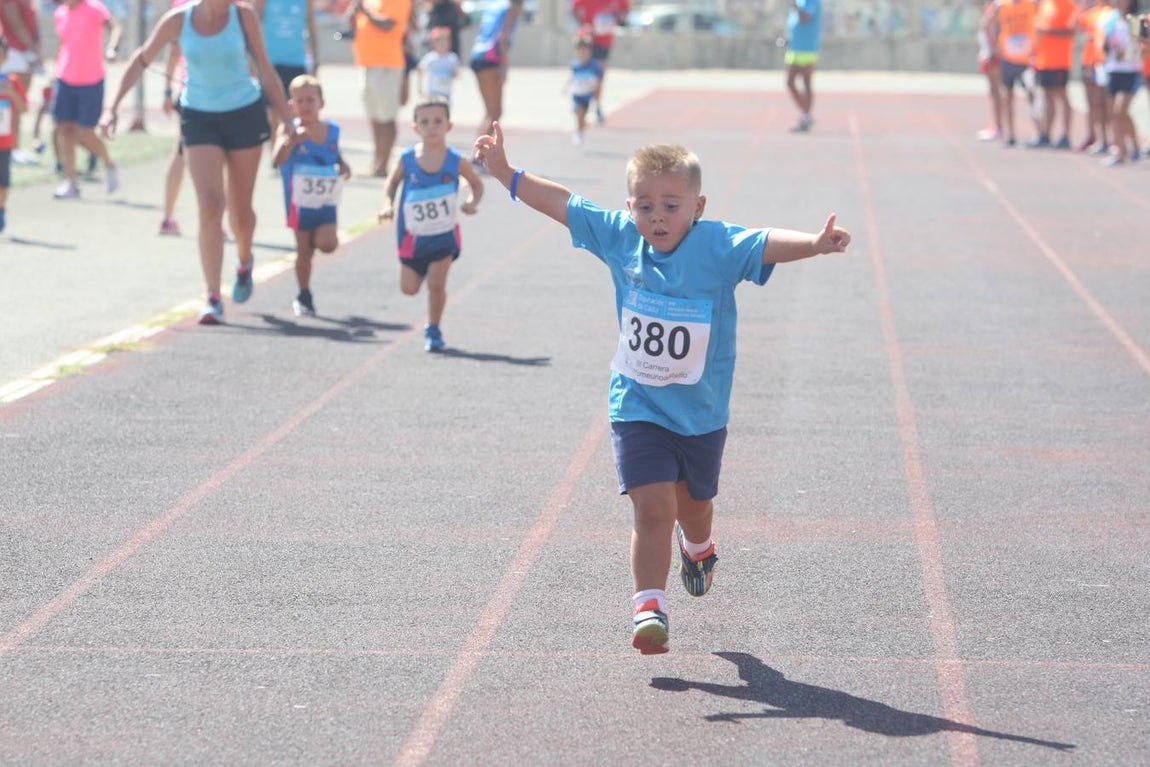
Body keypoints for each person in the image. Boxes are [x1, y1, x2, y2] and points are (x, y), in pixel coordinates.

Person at [472, 122, 851, 655]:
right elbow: (563, 203)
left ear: (698, 206)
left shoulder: (717, 245)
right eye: (644, 205)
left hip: (700, 413)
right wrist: (507, 174)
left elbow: (765, 242)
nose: (657, 217)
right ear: (629, 208)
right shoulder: (620, 238)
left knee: (693, 506)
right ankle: (649, 606)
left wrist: (814, 244)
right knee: (653, 508)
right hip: (637, 404)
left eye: (671, 205)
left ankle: (698, 546)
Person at [100, 0, 298, 324]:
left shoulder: (243, 15)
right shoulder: (179, 20)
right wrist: (111, 108)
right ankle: (212, 296)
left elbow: (265, 67)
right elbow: (141, 59)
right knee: (209, 205)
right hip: (199, 116)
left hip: (243, 113)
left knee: (241, 213)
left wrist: (288, 119)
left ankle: (244, 261)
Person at [378, 98, 483, 351]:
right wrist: (386, 204)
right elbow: (391, 183)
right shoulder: (407, 159)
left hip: (442, 236)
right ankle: (420, 270)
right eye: (425, 122)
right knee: (409, 289)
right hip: (412, 239)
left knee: (437, 284)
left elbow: (477, 184)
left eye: (438, 121)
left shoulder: (456, 160)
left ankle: (433, 329)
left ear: (449, 126)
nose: (432, 126)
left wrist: (471, 202)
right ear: (416, 128)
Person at [272, 74, 350, 317]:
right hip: (299, 202)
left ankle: (317, 241)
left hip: (325, 199)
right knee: (303, 250)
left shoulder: (332, 130)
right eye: (300, 101)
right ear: (291, 105)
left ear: (321, 103)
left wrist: (342, 163)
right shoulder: (288, 129)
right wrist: (290, 142)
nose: (305, 105)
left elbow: (332, 152)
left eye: (310, 100)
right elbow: (277, 160)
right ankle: (304, 294)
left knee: (327, 244)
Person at [51, 0, 122, 200]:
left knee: (85, 134)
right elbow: (64, 44)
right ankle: (72, 182)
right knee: (64, 131)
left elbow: (115, 27)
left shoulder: (94, 8)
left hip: (91, 80)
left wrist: (113, 47)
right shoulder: (60, 13)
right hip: (65, 79)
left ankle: (109, 165)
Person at [345, 0, 412, 176]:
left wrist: (365, 11)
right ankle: (377, 162)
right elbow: (355, 23)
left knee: (386, 117)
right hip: (367, 63)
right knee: (374, 116)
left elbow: (388, 25)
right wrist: (353, 14)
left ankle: (383, 165)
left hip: (387, 65)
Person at [254, 0, 319, 161]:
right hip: (270, 63)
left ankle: (290, 150)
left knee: (294, 110)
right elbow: (253, 25)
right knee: (272, 111)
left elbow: (311, 27)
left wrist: (316, 59)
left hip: (296, 62)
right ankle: (276, 152)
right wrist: (253, 60)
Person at [1096, 0, 1143, 165]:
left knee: (1119, 110)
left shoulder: (1135, 21)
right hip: (1113, 70)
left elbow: (1142, 46)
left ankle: (1127, 149)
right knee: (1117, 113)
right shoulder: (1111, 20)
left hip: (1130, 71)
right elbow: (1103, 43)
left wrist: (1127, 53)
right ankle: (1123, 150)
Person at [469, 0, 524, 139]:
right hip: (491, 58)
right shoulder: (512, 8)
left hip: (477, 54)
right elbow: (503, 37)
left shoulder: (494, 5)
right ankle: (479, 153)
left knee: (489, 112)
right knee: (495, 112)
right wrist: (504, 66)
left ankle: (478, 151)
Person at [569, 0, 629, 123]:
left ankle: (597, 105)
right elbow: (573, 9)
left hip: (604, 42)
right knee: (583, 72)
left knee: (599, 76)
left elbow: (625, 9)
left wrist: (619, 18)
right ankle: (579, 104)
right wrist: (582, 24)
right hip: (588, 40)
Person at [1029, 0, 1077, 148]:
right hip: (1044, 61)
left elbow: (1071, 31)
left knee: (1062, 98)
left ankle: (1065, 136)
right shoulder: (1045, 4)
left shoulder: (1070, 6)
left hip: (1060, 61)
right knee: (1047, 97)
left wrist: (1048, 31)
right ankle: (1046, 134)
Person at [990, 0, 1036, 146]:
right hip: (1008, 58)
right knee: (1008, 97)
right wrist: (994, 46)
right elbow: (986, 25)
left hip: (1026, 59)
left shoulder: (1031, 4)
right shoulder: (1001, 6)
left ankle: (1041, 132)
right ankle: (1010, 134)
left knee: (1032, 95)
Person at [0, 0, 41, 165]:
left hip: (24, 53)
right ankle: (11, 149)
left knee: (18, 102)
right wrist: (33, 48)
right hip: (15, 52)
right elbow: (15, 23)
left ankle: (14, 147)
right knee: (11, 105)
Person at [0, 35, 28, 233]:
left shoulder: (10, 81)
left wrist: (12, 93)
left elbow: (24, 108)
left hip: (4, 143)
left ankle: (1, 210)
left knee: (3, 181)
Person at [784, 0, 822, 133]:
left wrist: (794, 6)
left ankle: (806, 115)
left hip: (806, 49)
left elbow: (805, 18)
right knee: (792, 82)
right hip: (795, 48)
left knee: (801, 82)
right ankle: (805, 115)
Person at [1077, 0, 1109, 152]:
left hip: (1101, 62)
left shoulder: (1108, 14)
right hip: (1088, 60)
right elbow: (1073, 24)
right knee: (1091, 103)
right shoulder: (1089, 13)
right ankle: (1093, 136)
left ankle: (1106, 138)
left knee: (1102, 103)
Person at [563, 34, 603, 146]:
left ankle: (579, 132)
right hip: (576, 93)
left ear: (589, 51)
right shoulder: (574, 65)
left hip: (586, 95)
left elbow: (599, 80)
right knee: (577, 114)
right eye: (580, 50)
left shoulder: (594, 66)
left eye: (585, 50)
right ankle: (580, 129)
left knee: (581, 113)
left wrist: (596, 93)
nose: (582, 53)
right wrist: (565, 88)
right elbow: (570, 76)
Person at [976, 0, 1003, 140]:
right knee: (994, 91)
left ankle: (1000, 126)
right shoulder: (990, 6)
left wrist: (993, 48)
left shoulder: (999, 6)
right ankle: (997, 124)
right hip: (989, 53)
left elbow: (989, 27)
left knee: (997, 91)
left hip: (994, 54)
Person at [417, 26, 460, 104]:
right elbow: (421, 69)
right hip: (433, 92)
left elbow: (456, 73)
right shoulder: (430, 57)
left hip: (446, 92)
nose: (442, 43)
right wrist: (420, 87)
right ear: (433, 44)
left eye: (445, 41)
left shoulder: (452, 58)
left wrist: (455, 74)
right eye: (439, 41)